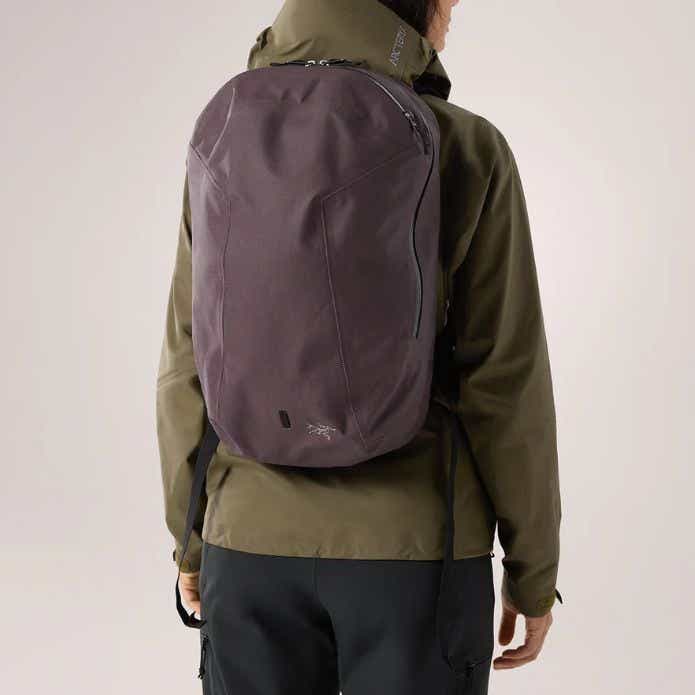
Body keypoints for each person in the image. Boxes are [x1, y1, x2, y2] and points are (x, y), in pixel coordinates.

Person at [157, 0, 561, 692]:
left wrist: (190, 536)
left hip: (247, 545)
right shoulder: (467, 146)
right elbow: (504, 380)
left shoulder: (227, 135)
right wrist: (533, 570)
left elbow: (186, 358)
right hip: (418, 553)